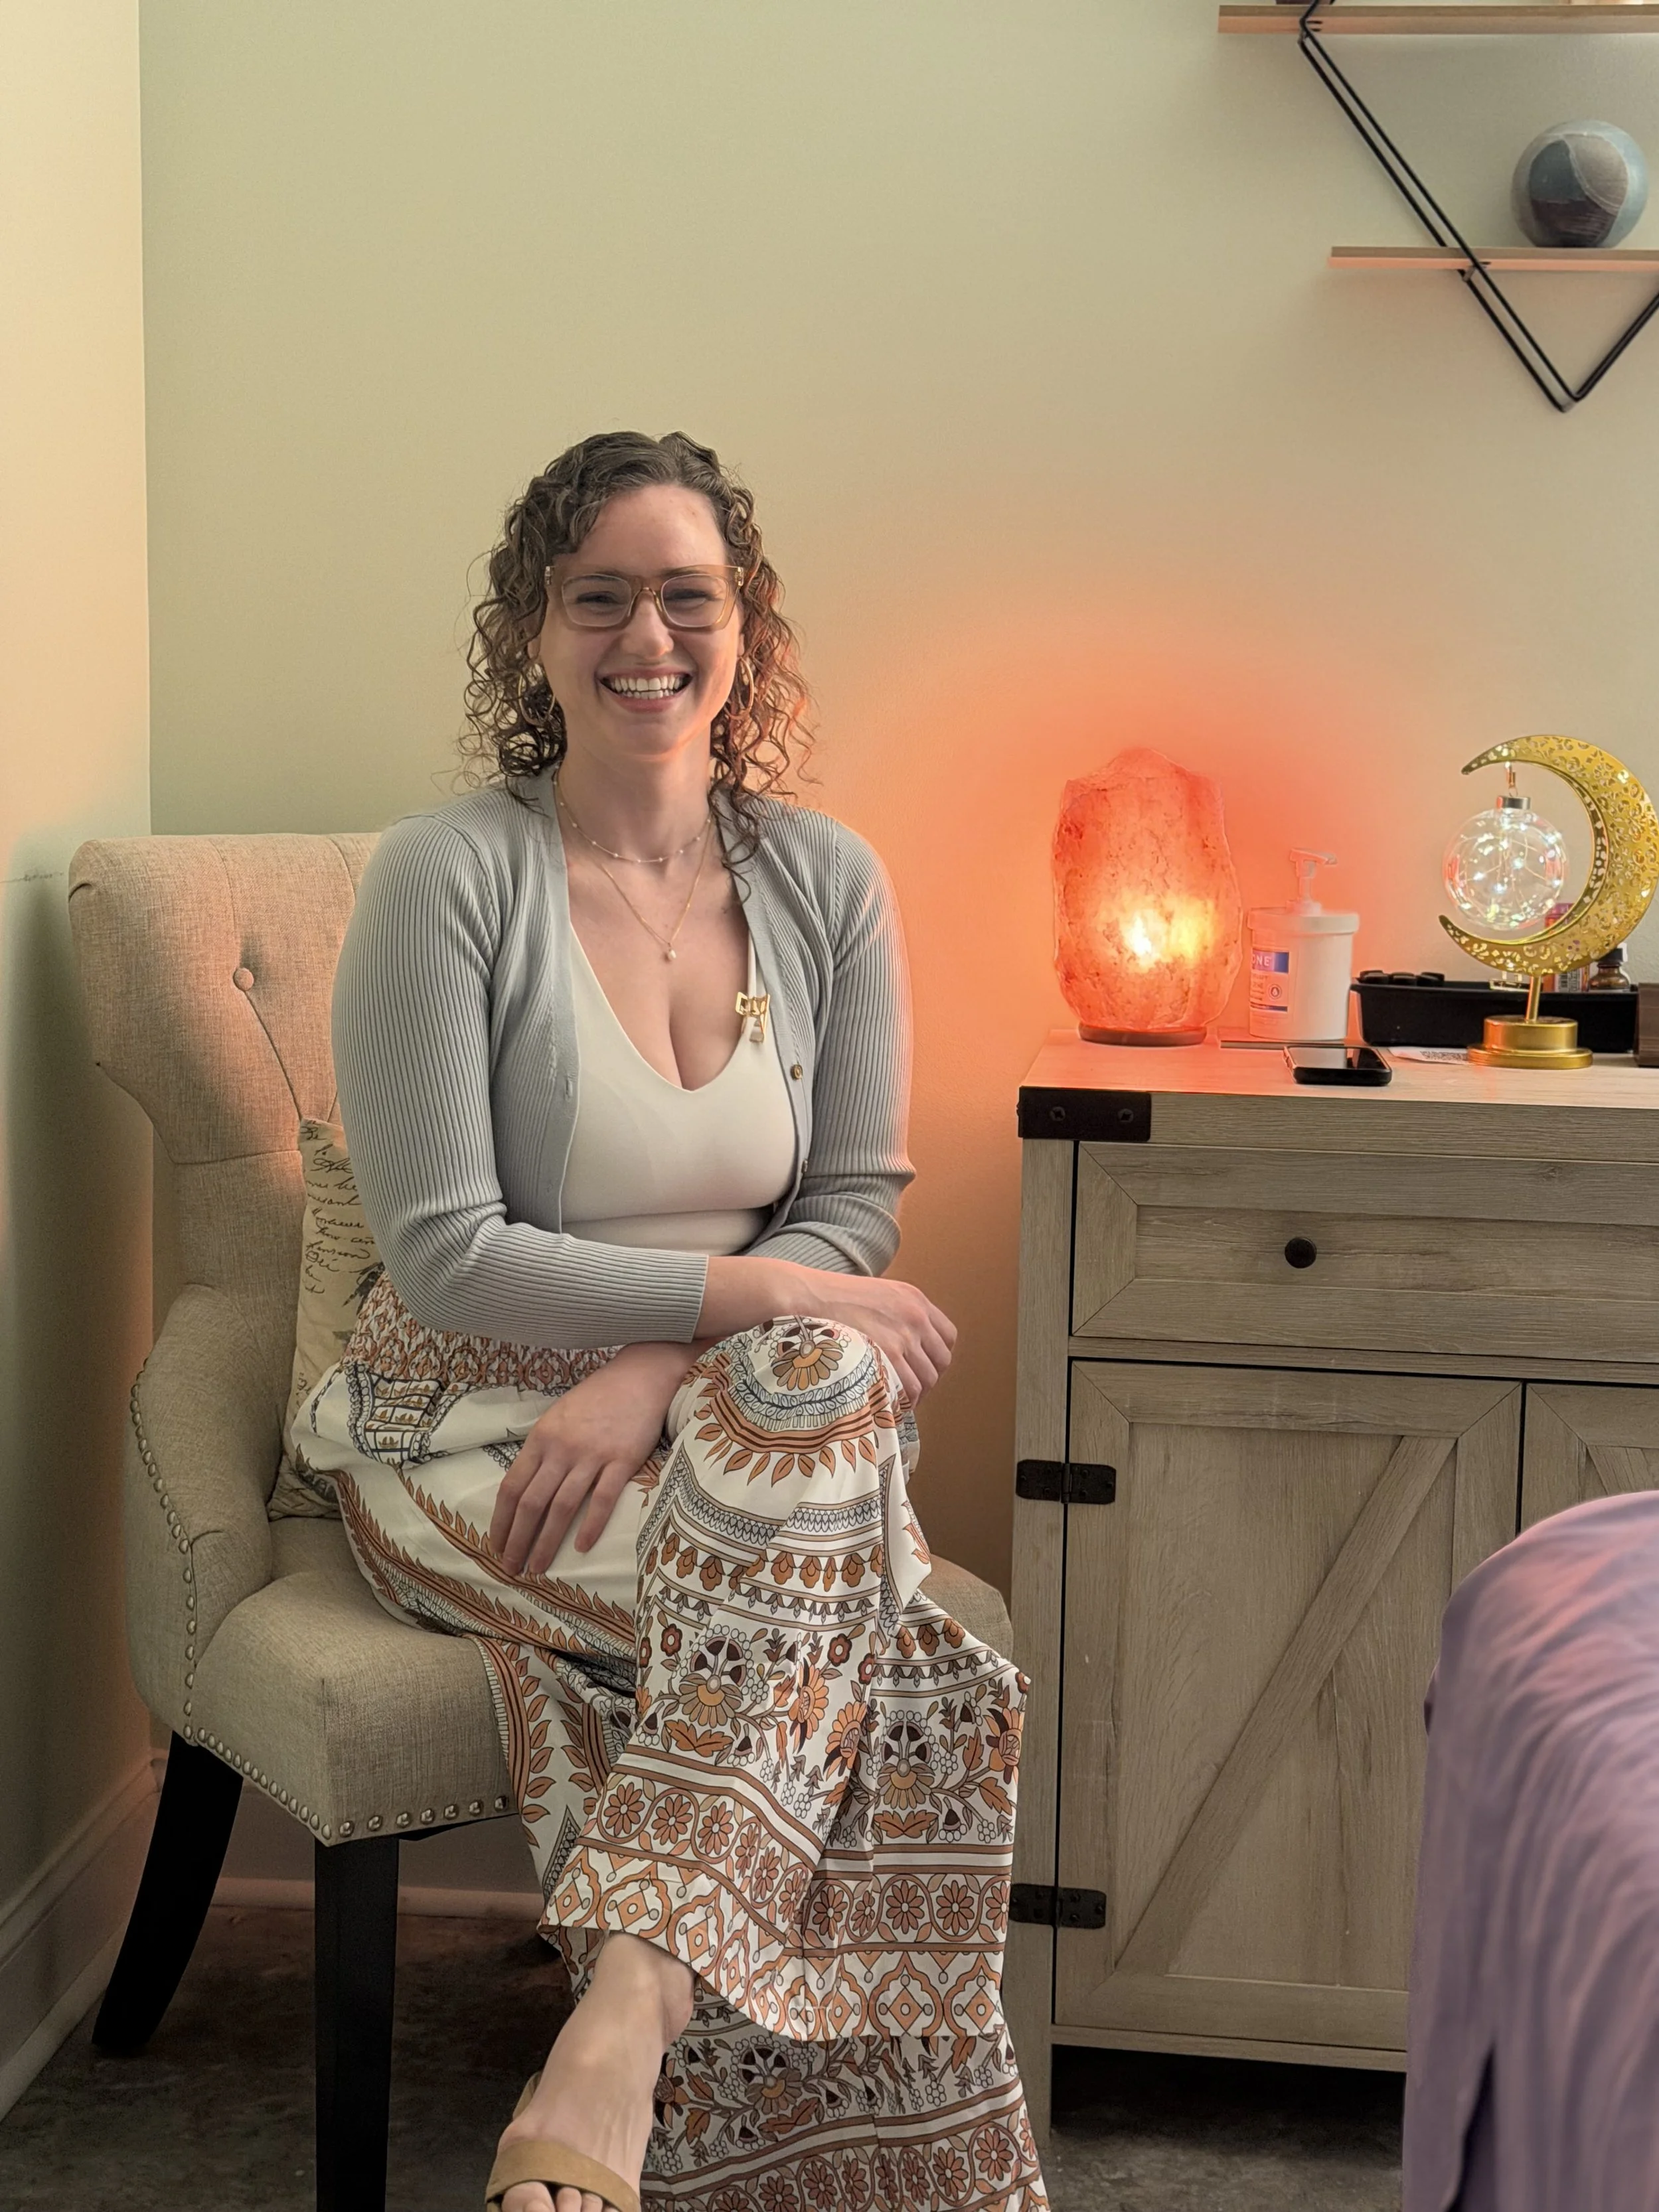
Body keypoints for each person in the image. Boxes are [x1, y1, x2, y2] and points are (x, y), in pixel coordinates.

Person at [297, 431, 1046, 2212]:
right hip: (469, 1427)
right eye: (600, 596)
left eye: (686, 595)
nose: (649, 635)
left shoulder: (826, 880)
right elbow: (447, 1253)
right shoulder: (445, 880)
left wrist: (663, 1357)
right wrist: (758, 1288)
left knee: (811, 1382)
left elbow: (853, 1199)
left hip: (737, 1418)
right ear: (534, 631)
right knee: (887, 1645)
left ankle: (622, 2021)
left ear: (745, 626)